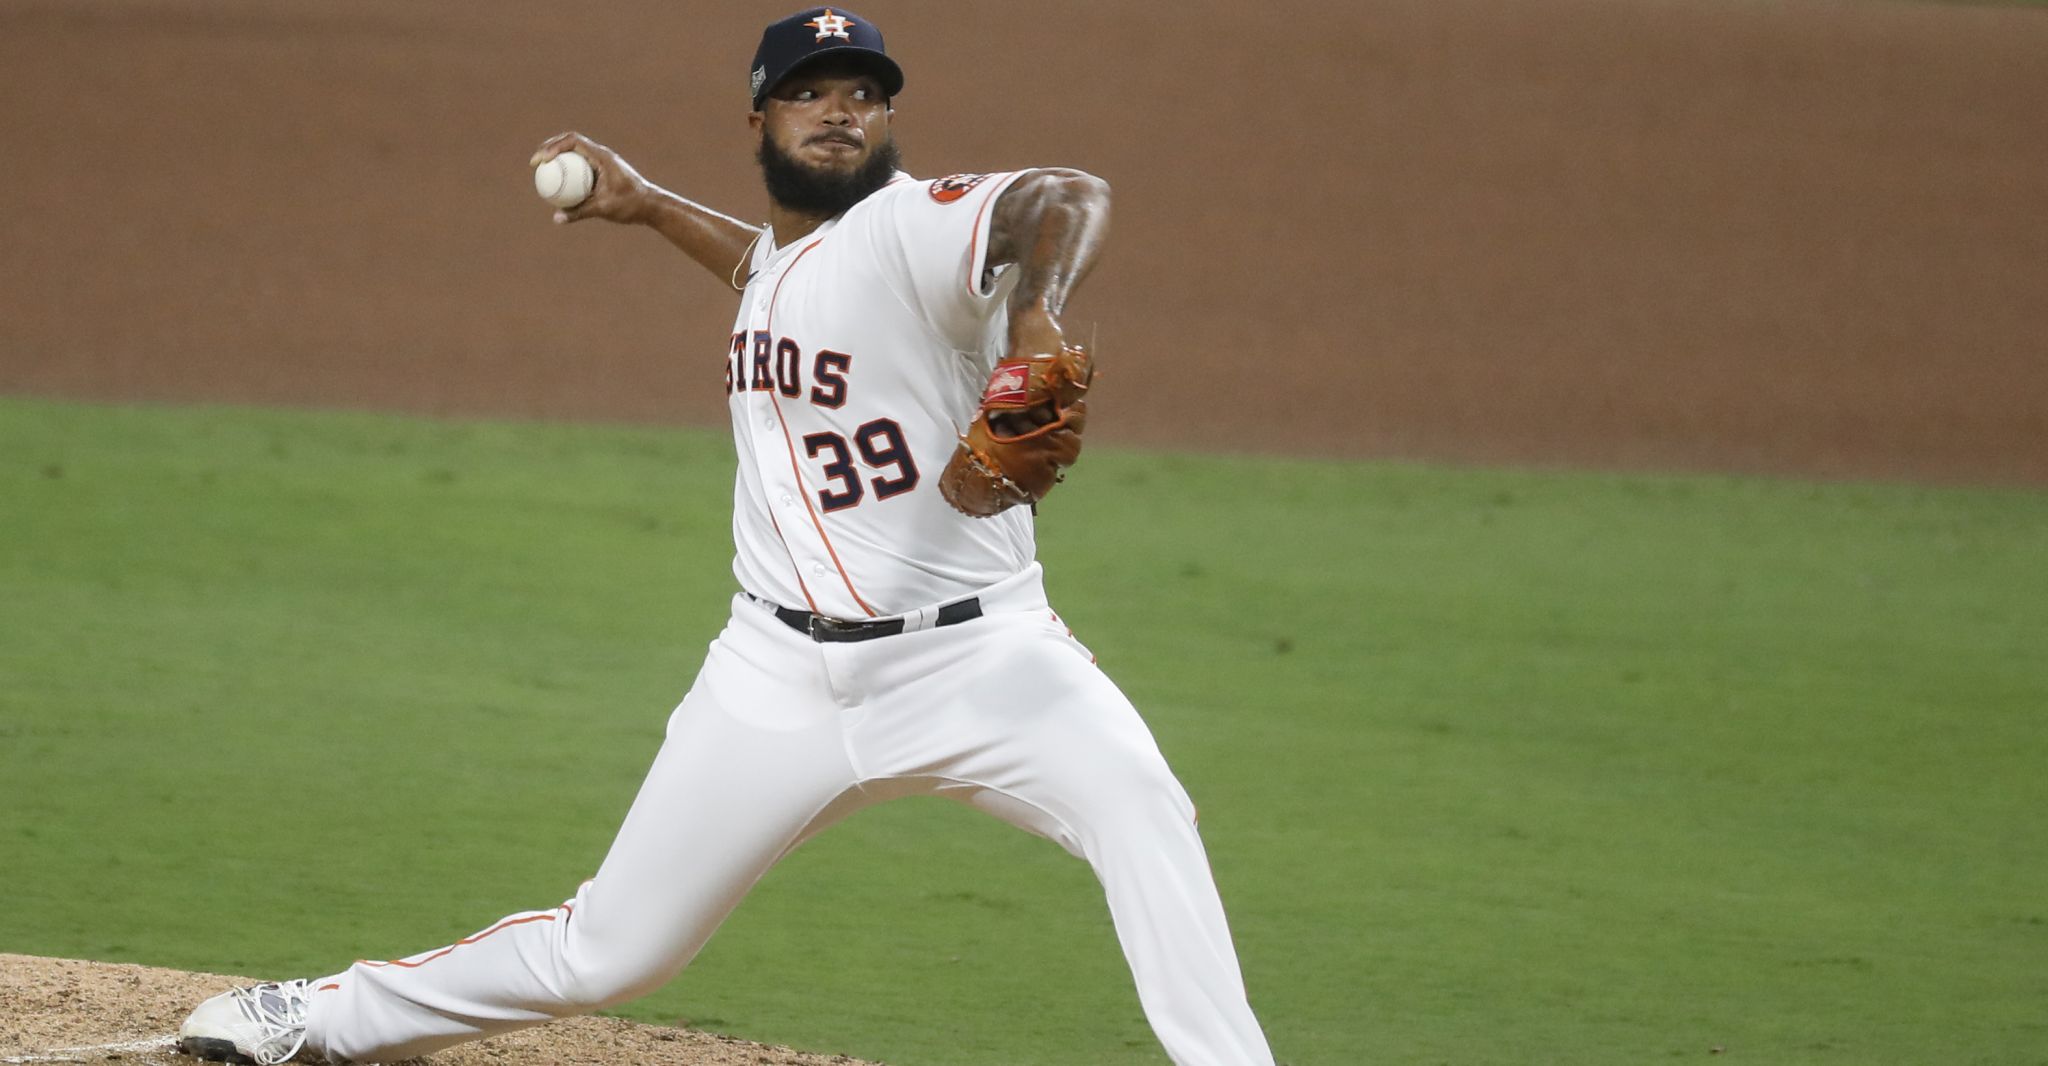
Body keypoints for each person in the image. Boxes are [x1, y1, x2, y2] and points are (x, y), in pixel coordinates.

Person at [177, 8, 1276, 1065]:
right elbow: (770, 275)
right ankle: (320, 1017)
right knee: (611, 950)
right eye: (807, 94)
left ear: (888, 121)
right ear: (758, 122)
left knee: (1143, 813)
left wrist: (1034, 312)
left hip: (978, 658)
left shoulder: (909, 225)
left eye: (862, 95)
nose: (839, 111)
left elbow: (1060, 194)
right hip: (775, 676)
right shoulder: (790, 266)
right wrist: (649, 205)